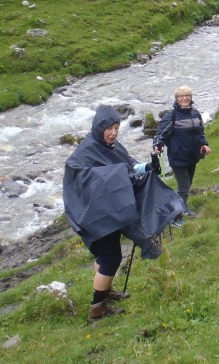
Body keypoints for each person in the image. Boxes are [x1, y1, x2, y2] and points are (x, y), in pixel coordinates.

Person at [63, 105, 187, 321]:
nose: (113, 133)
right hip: (93, 215)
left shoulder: (111, 146)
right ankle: (97, 309)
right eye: (108, 128)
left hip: (109, 212)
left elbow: (127, 165)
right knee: (111, 257)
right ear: (98, 127)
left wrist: (146, 167)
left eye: (116, 127)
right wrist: (119, 176)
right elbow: (85, 179)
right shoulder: (85, 152)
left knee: (104, 256)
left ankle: (106, 291)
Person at [153, 86, 211, 216]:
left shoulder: (195, 113)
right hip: (178, 157)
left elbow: (200, 133)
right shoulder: (172, 116)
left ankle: (177, 209)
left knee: (186, 186)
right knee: (184, 188)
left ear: (191, 98)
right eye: (181, 96)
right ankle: (178, 213)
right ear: (177, 99)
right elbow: (161, 134)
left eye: (187, 96)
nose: (185, 98)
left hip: (192, 157)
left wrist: (204, 144)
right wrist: (158, 145)